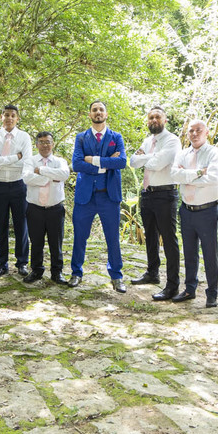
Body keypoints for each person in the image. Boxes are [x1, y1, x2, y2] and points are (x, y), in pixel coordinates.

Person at [69, 100, 128, 291]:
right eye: (94, 110)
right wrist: (104, 166)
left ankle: (116, 276)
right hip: (85, 197)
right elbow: (77, 164)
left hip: (109, 197)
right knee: (80, 236)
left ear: (106, 114)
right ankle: (76, 273)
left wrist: (93, 161)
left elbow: (121, 162)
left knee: (112, 237)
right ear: (90, 115)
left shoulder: (116, 137)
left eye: (101, 110)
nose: (98, 112)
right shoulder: (81, 138)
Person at [128, 106, 181, 300]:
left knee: (168, 239)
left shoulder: (172, 140)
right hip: (147, 194)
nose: (153, 120)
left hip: (165, 194)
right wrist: (150, 158)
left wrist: (146, 159)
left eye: (157, 117)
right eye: (150, 117)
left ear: (165, 120)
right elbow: (133, 162)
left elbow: (158, 164)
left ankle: (172, 285)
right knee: (150, 235)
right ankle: (152, 273)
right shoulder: (147, 140)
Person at [169, 120, 218, 307]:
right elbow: (174, 175)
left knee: (210, 253)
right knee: (190, 252)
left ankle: (212, 293)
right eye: (191, 131)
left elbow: (214, 178)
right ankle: (189, 289)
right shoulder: (182, 154)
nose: (194, 133)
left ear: (207, 132)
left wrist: (187, 176)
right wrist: (199, 173)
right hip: (187, 210)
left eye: (198, 130)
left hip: (207, 210)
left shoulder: (215, 153)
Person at [0, 104, 33, 278]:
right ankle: (1, 264)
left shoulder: (24, 137)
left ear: (17, 118)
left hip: (19, 185)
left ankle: (22, 263)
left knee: (22, 225)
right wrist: (16, 157)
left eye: (13, 115)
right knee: (0, 226)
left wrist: (1, 161)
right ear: (1, 117)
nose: (9, 118)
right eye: (6, 115)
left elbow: (27, 162)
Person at [23, 131, 70, 284]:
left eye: (48, 142)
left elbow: (64, 174)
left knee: (56, 242)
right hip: (34, 208)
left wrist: (42, 171)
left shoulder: (60, 161)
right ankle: (36, 271)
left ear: (53, 143)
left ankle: (57, 272)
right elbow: (27, 178)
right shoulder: (30, 161)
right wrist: (51, 178)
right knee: (36, 242)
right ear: (36, 145)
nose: (45, 145)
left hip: (55, 208)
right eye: (41, 142)